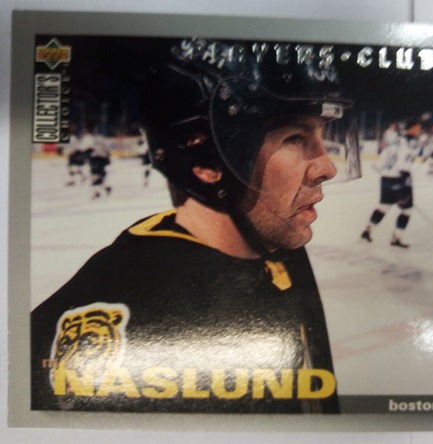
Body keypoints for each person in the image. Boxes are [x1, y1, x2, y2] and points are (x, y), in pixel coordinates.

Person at [30, 39, 361, 413]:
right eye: (295, 138)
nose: (327, 167)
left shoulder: (276, 246)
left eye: (321, 135)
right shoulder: (131, 309)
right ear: (206, 161)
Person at [361, 118, 422, 248]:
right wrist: (403, 182)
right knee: (407, 210)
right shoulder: (411, 142)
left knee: (384, 206)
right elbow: (404, 162)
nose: (419, 131)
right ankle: (397, 238)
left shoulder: (396, 140)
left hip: (386, 178)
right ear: (412, 128)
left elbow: (379, 164)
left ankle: (368, 230)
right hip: (399, 177)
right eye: (417, 128)